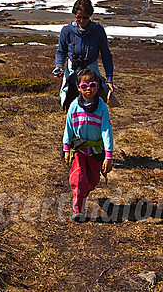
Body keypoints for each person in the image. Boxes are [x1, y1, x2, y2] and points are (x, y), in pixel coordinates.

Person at [62, 68, 114, 222]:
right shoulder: (73, 106)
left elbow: (106, 130)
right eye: (84, 86)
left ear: (97, 86)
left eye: (92, 85)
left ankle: (85, 191)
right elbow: (68, 128)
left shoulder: (102, 107)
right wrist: (66, 149)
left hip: (96, 152)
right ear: (78, 88)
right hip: (79, 150)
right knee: (78, 179)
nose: (88, 89)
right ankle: (78, 209)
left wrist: (109, 155)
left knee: (91, 181)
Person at [52, 0, 114, 110]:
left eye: (85, 18)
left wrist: (109, 78)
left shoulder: (98, 31)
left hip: (91, 69)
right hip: (72, 71)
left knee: (95, 103)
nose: (81, 21)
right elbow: (61, 51)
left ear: (90, 16)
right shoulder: (66, 30)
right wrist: (59, 66)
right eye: (78, 17)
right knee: (68, 103)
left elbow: (106, 55)